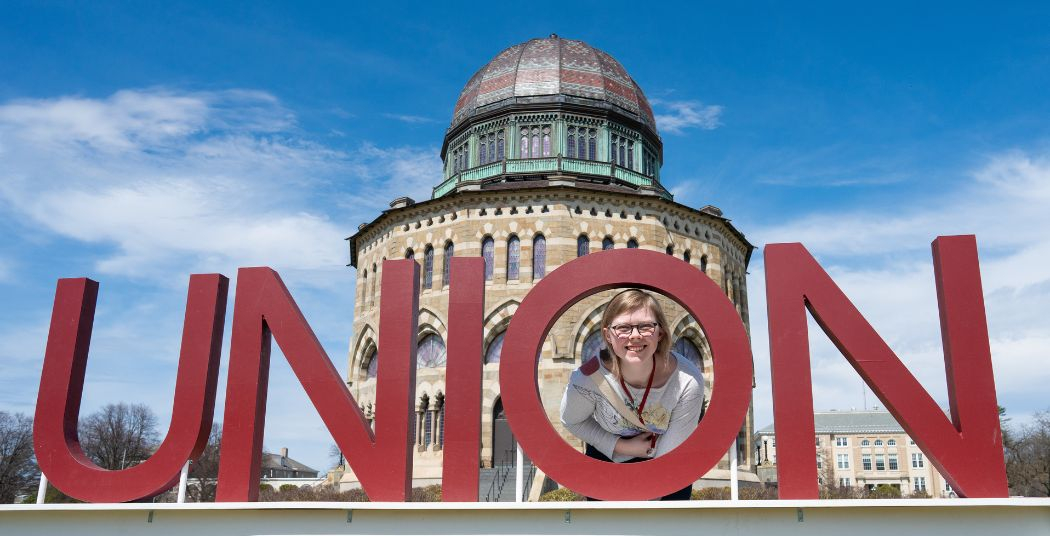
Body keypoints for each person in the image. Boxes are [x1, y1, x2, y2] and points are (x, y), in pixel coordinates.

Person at [559, 289, 705, 500]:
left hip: (667, 467)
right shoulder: (588, 378)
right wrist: (621, 446)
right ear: (608, 335)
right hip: (607, 462)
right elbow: (571, 420)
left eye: (646, 326)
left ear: (660, 333)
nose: (635, 335)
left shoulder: (687, 380)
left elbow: (670, 455)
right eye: (623, 328)